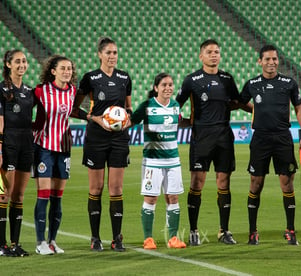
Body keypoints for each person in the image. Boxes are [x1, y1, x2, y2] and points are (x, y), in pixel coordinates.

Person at [176, 39, 252, 246]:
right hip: (201, 138)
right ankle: (193, 231)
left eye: (217, 51)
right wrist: (178, 121)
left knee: (224, 183)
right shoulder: (191, 80)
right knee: (196, 183)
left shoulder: (227, 79)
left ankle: (224, 231)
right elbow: (176, 105)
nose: (214, 55)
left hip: (224, 138)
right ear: (201, 56)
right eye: (209, 52)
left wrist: (259, 110)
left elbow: (238, 102)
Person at [239, 44, 301, 245]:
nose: (271, 63)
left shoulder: (289, 83)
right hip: (260, 138)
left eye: (274, 59)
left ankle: (291, 230)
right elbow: (241, 102)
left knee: (287, 182)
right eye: (267, 59)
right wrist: (255, 110)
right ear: (259, 61)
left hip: (282, 138)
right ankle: (253, 232)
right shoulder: (252, 84)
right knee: (255, 183)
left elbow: (299, 108)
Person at [71, 36, 132, 252]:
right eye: (108, 53)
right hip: (96, 137)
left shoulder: (125, 77)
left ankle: (117, 238)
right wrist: (94, 118)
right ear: (100, 54)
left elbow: (128, 107)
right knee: (96, 188)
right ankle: (95, 238)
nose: (112, 56)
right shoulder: (90, 78)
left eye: (115, 53)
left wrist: (127, 120)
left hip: (118, 139)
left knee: (116, 188)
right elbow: (74, 109)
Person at [131, 73, 186, 250]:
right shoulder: (147, 106)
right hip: (152, 161)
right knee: (151, 198)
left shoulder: (176, 106)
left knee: (173, 197)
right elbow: (130, 122)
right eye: (164, 85)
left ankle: (173, 238)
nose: (168, 88)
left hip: (173, 160)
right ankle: (148, 239)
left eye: (170, 85)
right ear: (156, 88)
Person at [0, 49, 34, 257]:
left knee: (19, 195)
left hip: (27, 145)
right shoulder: (0, 90)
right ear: (8, 64)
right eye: (17, 61)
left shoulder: (29, 91)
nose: (22, 65)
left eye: (24, 61)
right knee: (3, 193)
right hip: (7, 146)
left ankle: (15, 243)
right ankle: (1, 246)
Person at [32, 55, 77, 255]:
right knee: (43, 194)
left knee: (57, 197)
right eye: (63, 68)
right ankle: (40, 242)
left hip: (64, 148)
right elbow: (26, 111)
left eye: (69, 68)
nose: (67, 71)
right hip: (43, 147)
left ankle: (52, 241)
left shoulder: (73, 91)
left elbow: (74, 111)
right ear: (53, 71)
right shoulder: (41, 91)